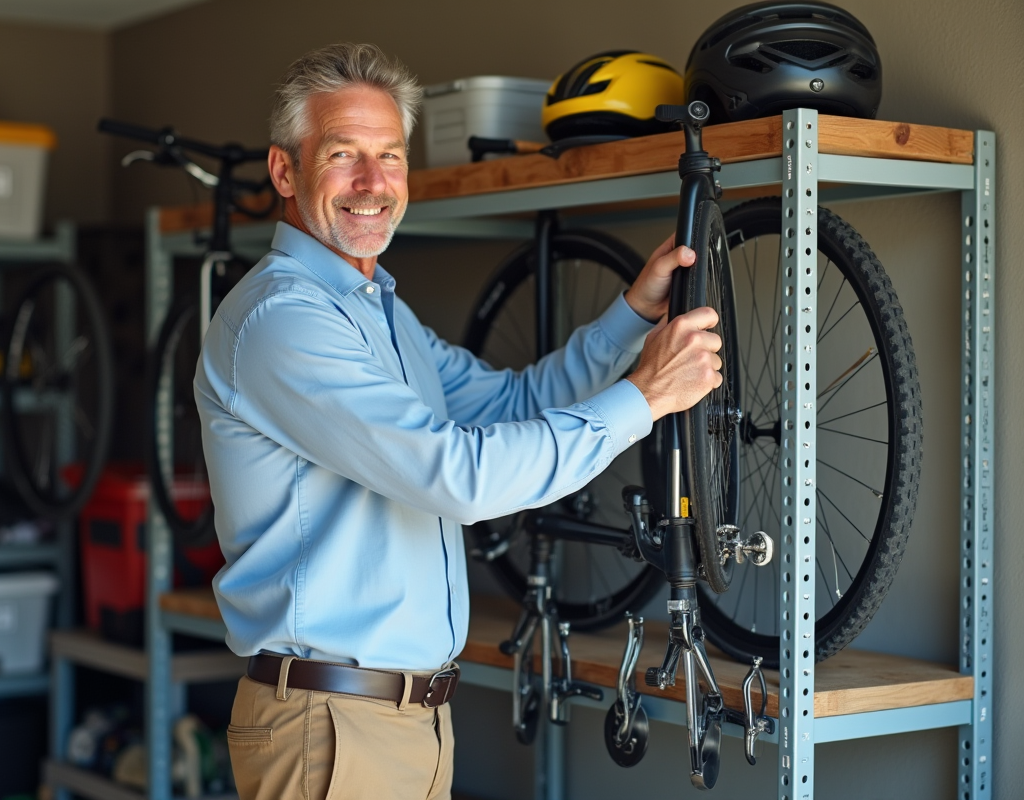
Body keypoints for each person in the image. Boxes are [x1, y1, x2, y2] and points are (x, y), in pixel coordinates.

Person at [194, 42, 722, 800]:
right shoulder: (283, 321)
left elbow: (509, 404)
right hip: (332, 727)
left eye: (390, 156)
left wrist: (632, 316)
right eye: (343, 155)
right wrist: (644, 396)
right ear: (285, 171)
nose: (373, 183)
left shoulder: (378, 312)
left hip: (408, 720)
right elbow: (462, 477)